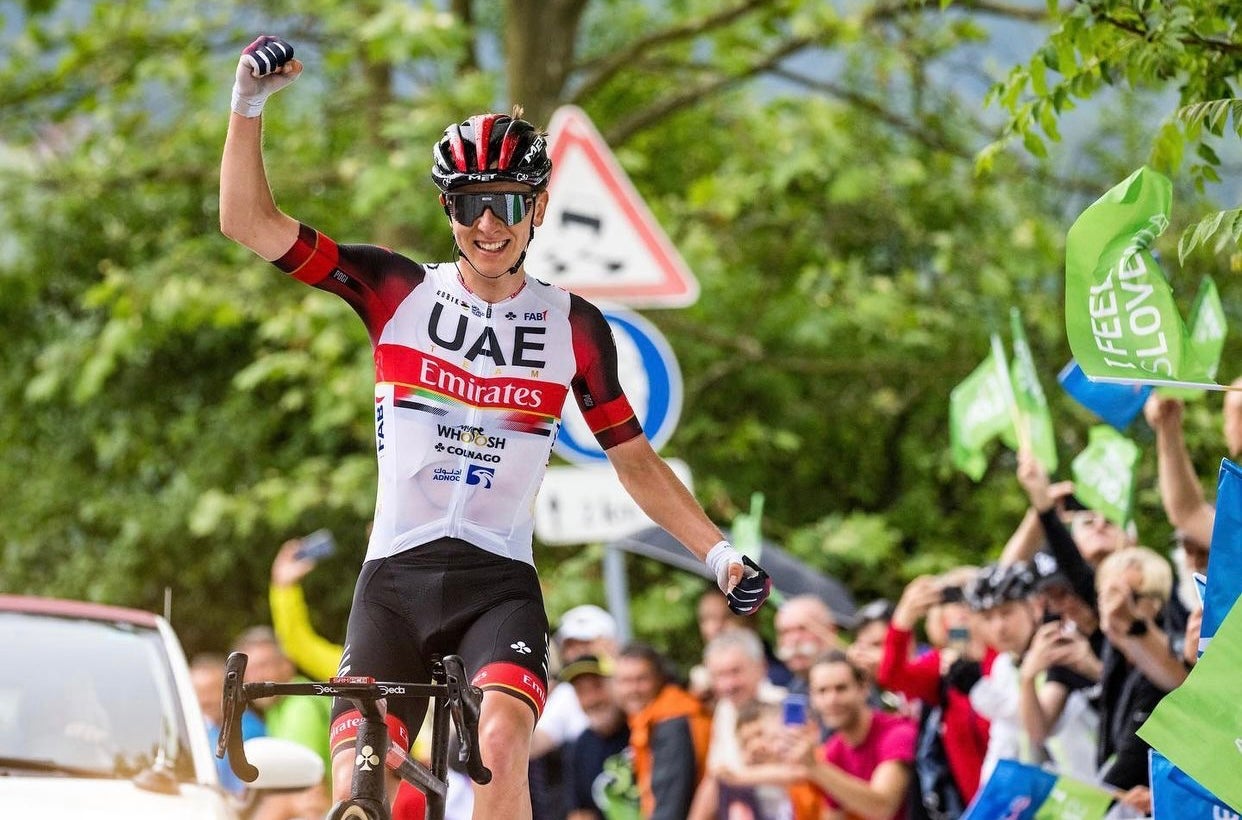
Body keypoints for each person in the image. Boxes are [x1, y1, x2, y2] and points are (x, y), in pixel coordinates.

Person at [219, 35, 773, 819]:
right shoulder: (393, 289)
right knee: (358, 791)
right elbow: (248, 222)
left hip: (497, 586)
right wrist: (248, 103)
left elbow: (635, 459)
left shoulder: (573, 326)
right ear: (449, 209)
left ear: (538, 208)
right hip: (393, 585)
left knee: (498, 747)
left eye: (508, 202)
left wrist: (717, 555)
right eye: (472, 202)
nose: (490, 223)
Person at [793, 651, 917, 820]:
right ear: (812, 698)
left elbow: (883, 806)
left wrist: (815, 768)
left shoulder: (897, 733)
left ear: (863, 688)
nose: (831, 700)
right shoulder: (833, 751)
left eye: (841, 688)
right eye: (822, 691)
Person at [686, 629, 786, 820]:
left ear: (762, 667)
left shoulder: (784, 706)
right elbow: (714, 778)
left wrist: (739, 777)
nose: (727, 684)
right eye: (718, 675)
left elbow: (801, 774)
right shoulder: (725, 708)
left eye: (735, 672)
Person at [613, 642, 712, 819]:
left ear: (659, 678)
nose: (633, 689)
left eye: (641, 679)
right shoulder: (651, 717)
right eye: (625, 681)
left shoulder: (672, 721)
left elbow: (671, 804)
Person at [558, 655, 630, 820]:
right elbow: (580, 813)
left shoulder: (644, 727)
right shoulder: (580, 747)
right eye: (581, 691)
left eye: (597, 686)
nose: (591, 700)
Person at [191, 652, 267, 797]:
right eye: (198, 692)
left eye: (212, 690)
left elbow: (243, 797)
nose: (205, 700)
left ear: (231, 690)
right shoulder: (202, 727)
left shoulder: (249, 731)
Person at [774, 595, 840, 694]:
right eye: (785, 632)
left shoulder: (855, 678)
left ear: (831, 631)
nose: (794, 639)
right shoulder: (795, 689)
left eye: (802, 629)